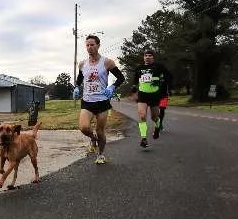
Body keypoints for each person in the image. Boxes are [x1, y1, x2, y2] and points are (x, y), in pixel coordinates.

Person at [73, 35, 125, 164]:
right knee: (84, 127)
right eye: (87, 45)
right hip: (87, 101)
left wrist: (113, 86)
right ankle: (93, 138)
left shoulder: (107, 62)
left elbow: (121, 78)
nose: (89, 47)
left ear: (98, 46)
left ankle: (101, 155)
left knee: (100, 131)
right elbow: (80, 78)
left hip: (102, 101)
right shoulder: (82, 64)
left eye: (92, 45)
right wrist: (76, 87)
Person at [131, 49, 172, 147]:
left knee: (154, 117)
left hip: (154, 95)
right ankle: (143, 138)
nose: (148, 57)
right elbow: (135, 81)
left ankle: (157, 128)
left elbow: (168, 76)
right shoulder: (139, 68)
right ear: (143, 57)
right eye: (146, 56)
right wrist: (134, 90)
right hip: (142, 95)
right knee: (142, 116)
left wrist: (161, 82)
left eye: (150, 56)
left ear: (153, 57)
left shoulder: (159, 66)